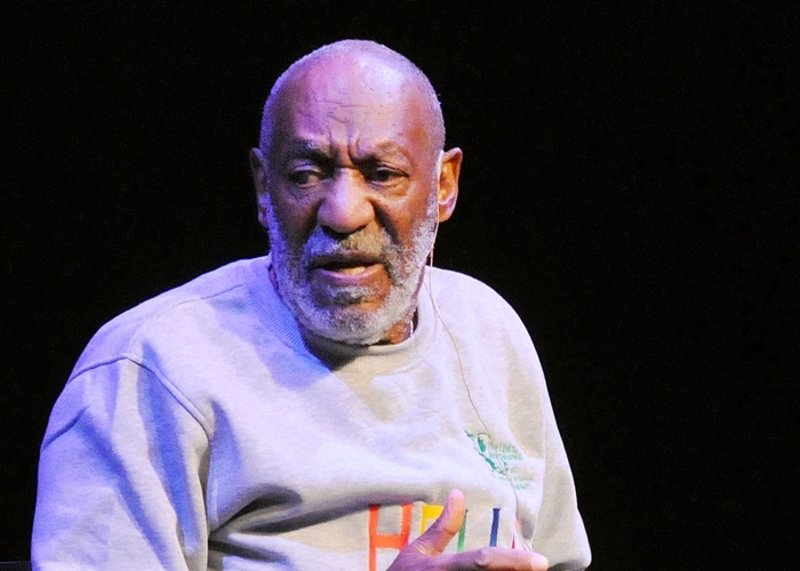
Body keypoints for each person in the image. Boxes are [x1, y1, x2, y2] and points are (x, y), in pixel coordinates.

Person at [32, 40, 591, 570]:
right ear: (264, 188)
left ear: (443, 186)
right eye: (306, 175)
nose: (343, 213)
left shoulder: (488, 330)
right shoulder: (150, 367)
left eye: (383, 174)